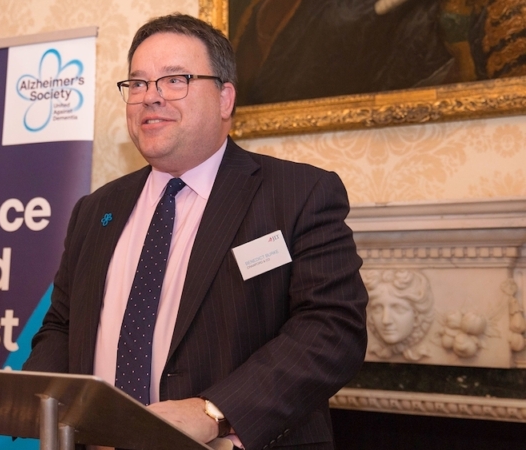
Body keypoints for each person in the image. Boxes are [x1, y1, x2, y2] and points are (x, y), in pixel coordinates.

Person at [23, 13, 368, 450]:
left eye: (174, 80)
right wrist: (46, 399)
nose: (151, 98)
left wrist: (215, 411)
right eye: (138, 84)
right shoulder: (96, 210)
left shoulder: (299, 194)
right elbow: (61, 325)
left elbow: (332, 329)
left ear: (225, 98)